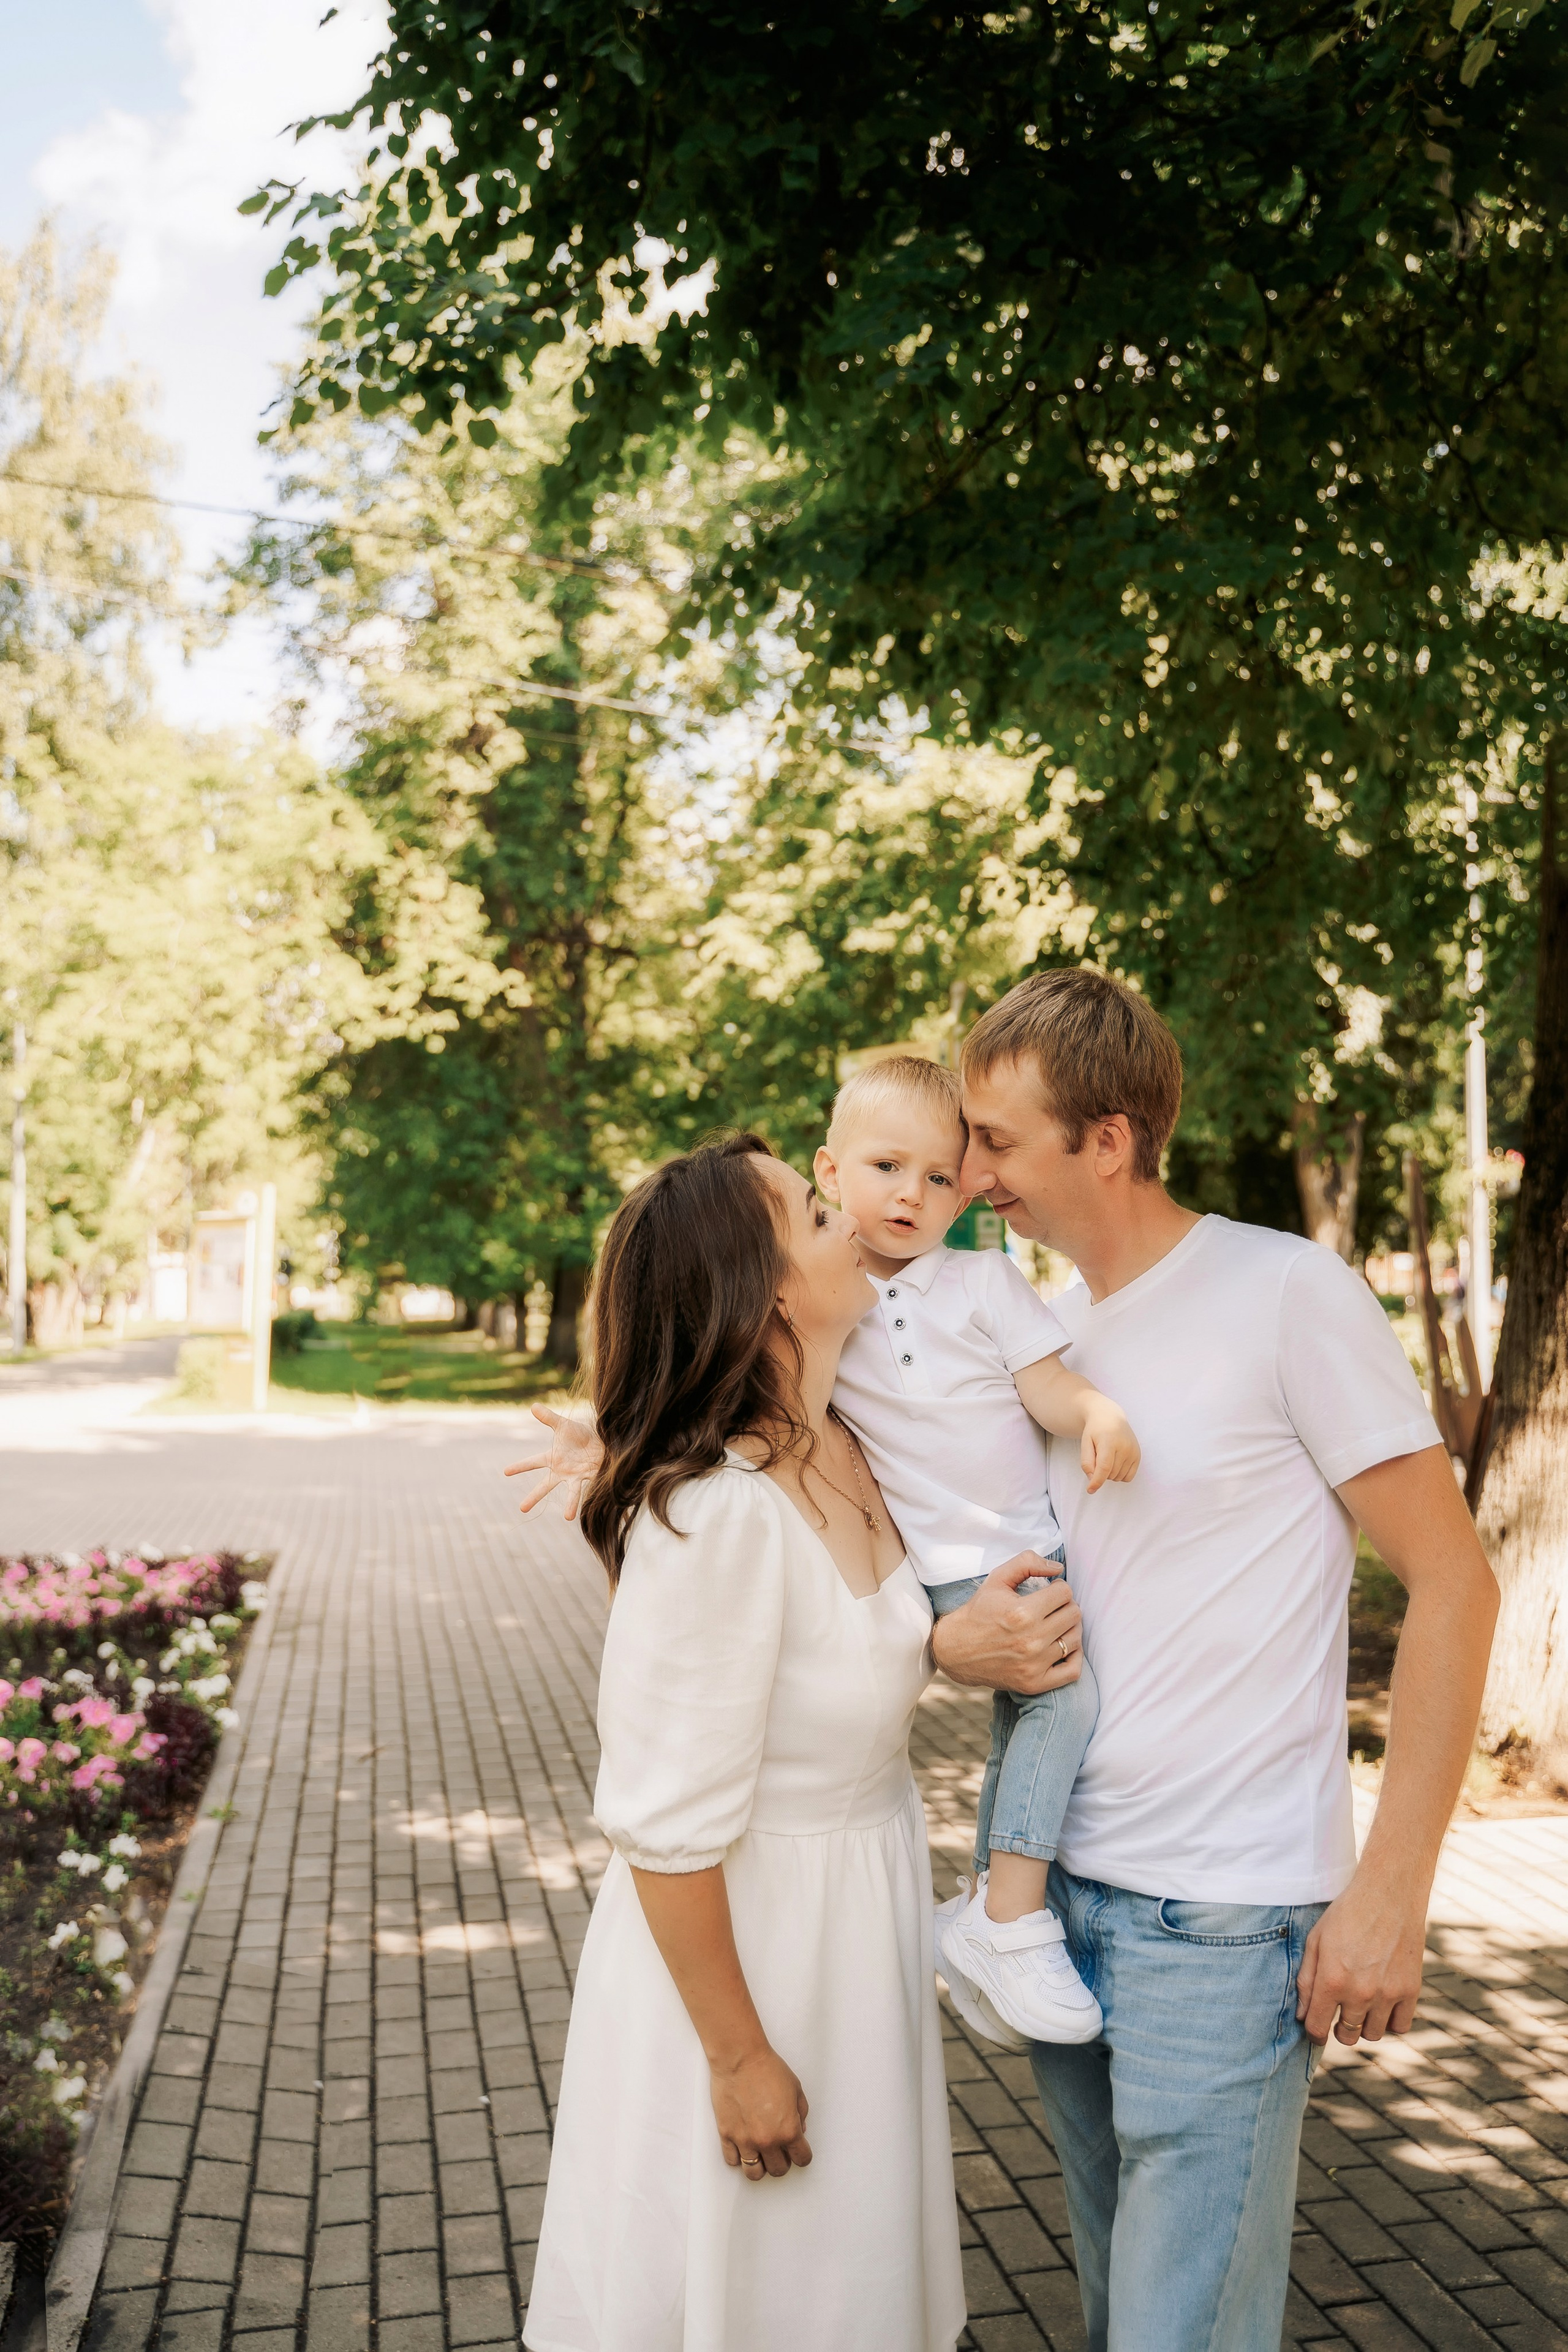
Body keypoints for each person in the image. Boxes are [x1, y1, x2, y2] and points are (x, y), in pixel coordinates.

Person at [927, 967, 1499, 2352]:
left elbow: (1453, 1585)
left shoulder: (1283, 1291)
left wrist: (1386, 1895)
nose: (968, 1172)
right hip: (1058, 1900)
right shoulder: (1041, 1335)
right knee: (1124, 2306)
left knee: (1181, 2332)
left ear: (1106, 1140)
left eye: (996, 1140)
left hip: (1225, 1922)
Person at [521, 1133, 965, 2352]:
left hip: (859, 1929)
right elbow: (662, 1829)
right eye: (816, 1216)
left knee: (850, 2291)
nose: (855, 1217)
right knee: (750, 2294)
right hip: (745, 1963)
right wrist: (737, 2058)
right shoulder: (714, 1518)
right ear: (764, 1293)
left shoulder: (852, 1441)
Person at [812, 1053, 1136, 2045]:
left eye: (941, 1176)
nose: (913, 1193)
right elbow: (731, 1390)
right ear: (830, 1174)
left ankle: (990, 1902)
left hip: (1031, 1542)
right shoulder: (821, 1295)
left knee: (1027, 1720)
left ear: (966, 1191)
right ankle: (1009, 1918)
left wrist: (1095, 1410)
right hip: (948, 1568)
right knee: (1061, 1697)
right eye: (885, 1167)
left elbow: (1045, 1385)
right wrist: (613, 1438)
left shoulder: (986, 1280)